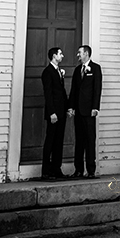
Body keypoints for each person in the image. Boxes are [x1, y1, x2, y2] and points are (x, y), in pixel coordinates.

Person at [68, 44, 102, 178]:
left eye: (79, 53)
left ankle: (91, 170)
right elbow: (74, 90)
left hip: (89, 110)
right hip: (78, 111)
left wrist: (95, 107)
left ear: (86, 54)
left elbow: (97, 89)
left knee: (89, 140)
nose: (78, 55)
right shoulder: (77, 70)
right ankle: (78, 170)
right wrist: (71, 107)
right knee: (79, 141)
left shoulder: (95, 68)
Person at [40, 46, 68, 180]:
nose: (62, 56)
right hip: (54, 113)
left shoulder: (58, 71)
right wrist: (52, 112)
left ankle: (57, 168)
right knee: (50, 141)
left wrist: (67, 107)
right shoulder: (48, 72)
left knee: (59, 141)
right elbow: (48, 94)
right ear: (54, 56)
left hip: (61, 112)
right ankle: (46, 170)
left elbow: (61, 93)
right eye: (60, 54)